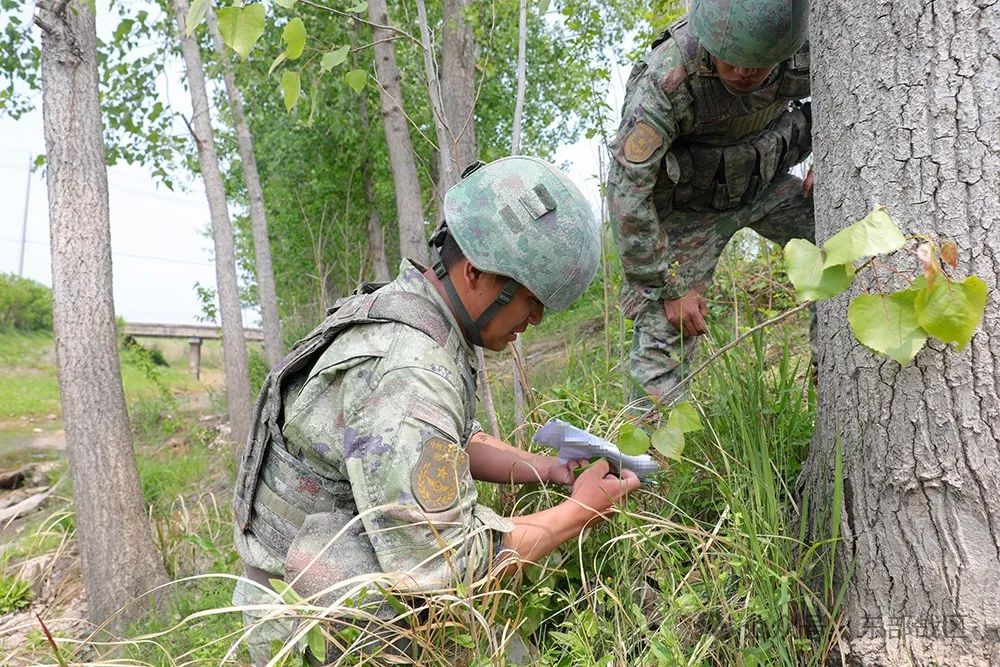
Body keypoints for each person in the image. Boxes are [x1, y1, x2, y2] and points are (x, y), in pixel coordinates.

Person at [231, 156, 641, 664]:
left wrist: (548, 469)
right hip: (314, 631)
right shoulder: (409, 371)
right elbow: (452, 568)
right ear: (476, 273)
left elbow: (445, 443)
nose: (535, 318)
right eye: (530, 300)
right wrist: (580, 512)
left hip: (338, 586)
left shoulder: (417, 312)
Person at [608, 0, 815, 404]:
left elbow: (857, 99)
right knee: (665, 333)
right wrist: (668, 285)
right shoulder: (667, 77)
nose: (743, 72)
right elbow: (626, 190)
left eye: (759, 63)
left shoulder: (806, 47)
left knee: (847, 250)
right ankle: (653, 457)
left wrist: (835, 158)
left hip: (771, 185)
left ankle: (841, 398)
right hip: (692, 211)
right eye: (731, 59)